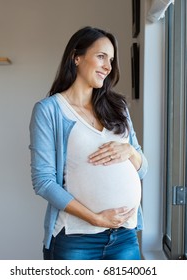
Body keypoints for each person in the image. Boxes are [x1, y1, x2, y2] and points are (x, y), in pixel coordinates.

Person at [29, 26, 148, 260]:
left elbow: (143, 169)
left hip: (124, 236)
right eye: (101, 56)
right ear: (76, 57)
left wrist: (130, 152)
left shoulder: (118, 108)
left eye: (111, 60)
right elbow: (43, 181)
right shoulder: (49, 110)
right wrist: (95, 218)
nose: (108, 66)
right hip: (77, 238)